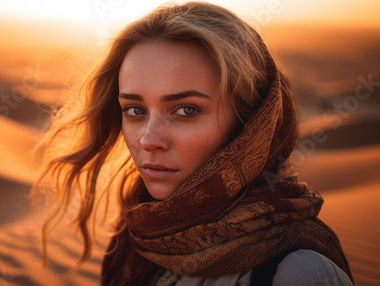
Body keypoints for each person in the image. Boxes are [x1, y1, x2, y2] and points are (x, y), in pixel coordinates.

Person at [32, 2, 354, 285]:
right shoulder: (144, 239)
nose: (148, 139)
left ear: (251, 124)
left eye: (186, 110)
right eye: (135, 110)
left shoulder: (299, 273)